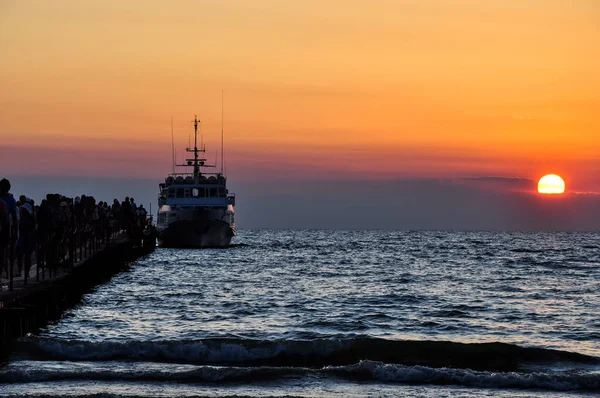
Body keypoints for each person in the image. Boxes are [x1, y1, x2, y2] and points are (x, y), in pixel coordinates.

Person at [0, 179, 18, 278]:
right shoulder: (11, 200)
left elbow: (14, 217)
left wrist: (15, 230)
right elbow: (14, 217)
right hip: (6, 227)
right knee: (3, 253)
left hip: (6, 228)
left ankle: (6, 273)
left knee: (4, 253)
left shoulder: (11, 200)